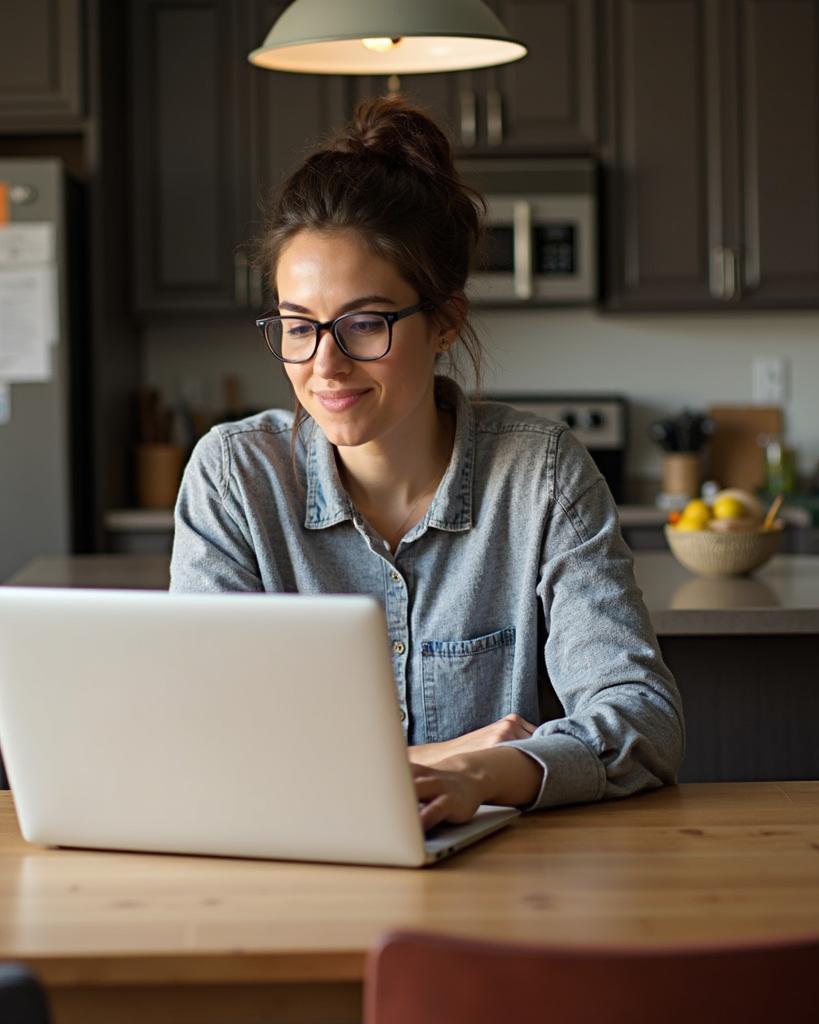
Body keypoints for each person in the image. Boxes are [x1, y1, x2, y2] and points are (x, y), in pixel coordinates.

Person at [170, 96, 684, 831]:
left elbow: (644, 719)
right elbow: (206, 736)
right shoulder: (233, 478)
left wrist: (488, 773)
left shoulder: (541, 477)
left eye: (365, 324)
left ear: (444, 322)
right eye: (297, 327)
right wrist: (456, 757)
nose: (326, 365)